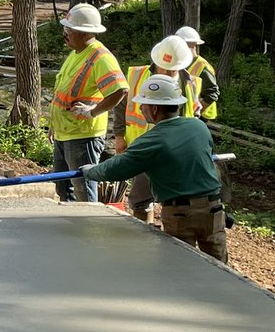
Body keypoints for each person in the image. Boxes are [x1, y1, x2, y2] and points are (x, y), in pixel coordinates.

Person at [84, 75, 227, 262]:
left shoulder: (152, 140)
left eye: (143, 104)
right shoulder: (198, 127)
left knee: (181, 266)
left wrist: (89, 171)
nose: (141, 109)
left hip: (181, 214)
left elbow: (115, 170)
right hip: (214, 208)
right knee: (220, 268)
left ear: (154, 108)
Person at [110, 35, 202, 223]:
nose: (167, 72)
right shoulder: (137, 76)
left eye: (172, 69)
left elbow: (192, 114)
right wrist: (119, 136)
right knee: (141, 198)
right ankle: (146, 231)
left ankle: (176, 237)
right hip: (145, 149)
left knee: (177, 198)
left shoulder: (190, 82)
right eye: (163, 67)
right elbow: (120, 106)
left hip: (177, 151)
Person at [48, 3, 128, 203]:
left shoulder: (100, 58)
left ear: (85, 33)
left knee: (83, 188)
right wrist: (53, 124)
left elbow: (120, 89)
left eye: (69, 30)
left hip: (83, 136)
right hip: (65, 132)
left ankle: (89, 230)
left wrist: (93, 111)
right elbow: (62, 95)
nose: (65, 34)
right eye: (65, 29)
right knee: (63, 187)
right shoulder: (76, 52)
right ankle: (70, 228)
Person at [176, 26, 220, 120]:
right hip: (186, 113)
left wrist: (195, 113)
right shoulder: (182, 63)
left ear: (193, 45)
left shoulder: (203, 66)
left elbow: (212, 93)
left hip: (200, 116)